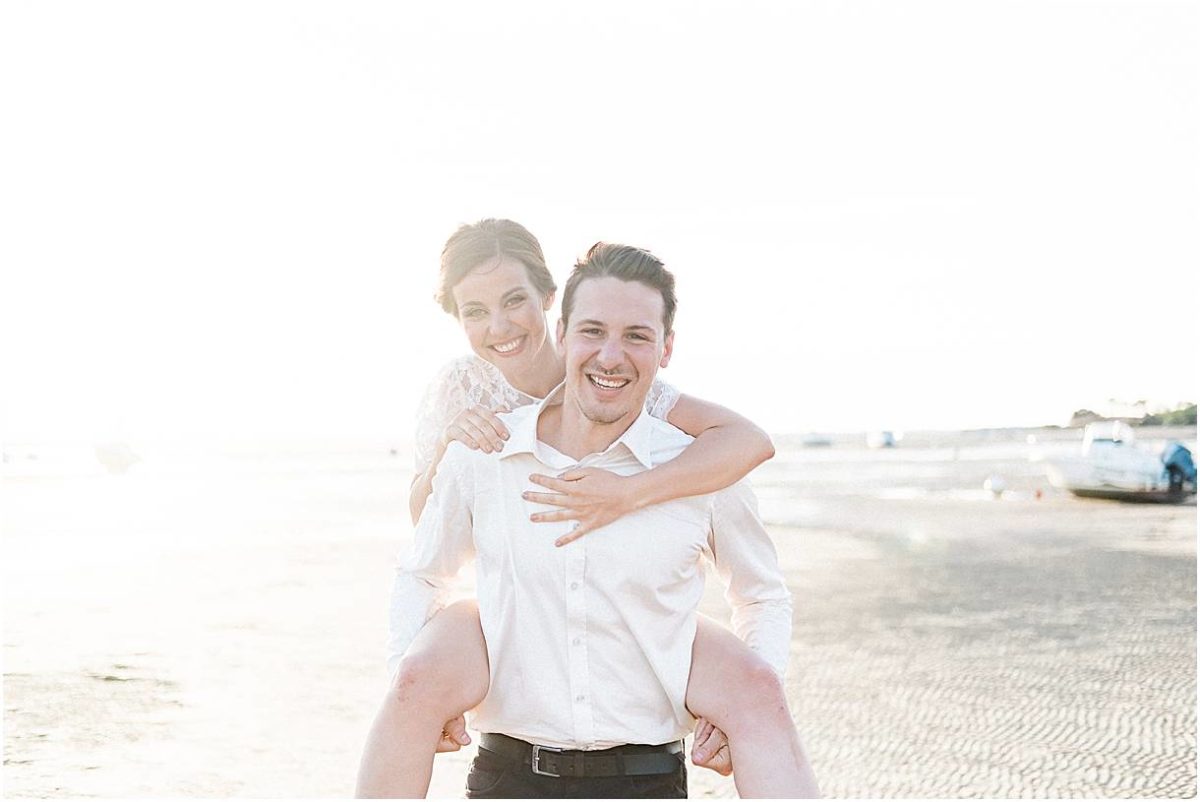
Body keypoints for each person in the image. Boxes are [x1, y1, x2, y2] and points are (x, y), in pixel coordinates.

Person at [355, 223, 818, 797]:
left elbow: (750, 449)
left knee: (755, 689)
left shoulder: (686, 447)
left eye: (513, 301)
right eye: (593, 332)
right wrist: (420, 692)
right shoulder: (474, 430)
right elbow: (424, 551)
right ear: (566, 331)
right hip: (510, 747)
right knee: (417, 678)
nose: (610, 356)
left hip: (644, 767)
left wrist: (631, 491)